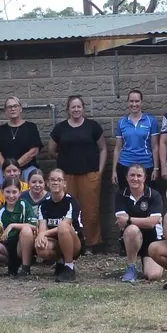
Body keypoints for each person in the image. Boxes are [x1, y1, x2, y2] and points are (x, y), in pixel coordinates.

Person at [50, 94, 106, 248]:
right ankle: (73, 242)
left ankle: (92, 243)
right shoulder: (60, 128)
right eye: (73, 107)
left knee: (90, 210)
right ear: (68, 109)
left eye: (79, 106)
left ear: (83, 108)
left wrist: (100, 171)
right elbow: (52, 150)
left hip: (90, 174)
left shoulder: (92, 126)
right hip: (67, 176)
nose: (76, 109)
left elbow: (103, 149)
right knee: (69, 209)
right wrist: (67, 158)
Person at [114, 164, 166, 282]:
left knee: (153, 276)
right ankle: (131, 267)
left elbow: (152, 223)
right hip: (131, 238)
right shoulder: (121, 195)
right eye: (132, 175)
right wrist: (140, 221)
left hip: (152, 240)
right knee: (132, 229)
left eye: (139, 175)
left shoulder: (154, 195)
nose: (135, 178)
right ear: (126, 177)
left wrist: (129, 220)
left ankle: (147, 261)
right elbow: (121, 223)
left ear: (144, 178)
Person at [35, 168, 84, 282]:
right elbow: (42, 227)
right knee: (41, 248)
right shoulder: (43, 204)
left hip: (73, 243)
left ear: (64, 184)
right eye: (52, 180)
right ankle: (60, 262)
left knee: (62, 226)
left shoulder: (71, 202)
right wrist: (41, 236)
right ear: (47, 183)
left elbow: (66, 225)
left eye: (59, 180)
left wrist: (43, 233)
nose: (55, 182)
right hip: (55, 242)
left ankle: (69, 266)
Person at [0, 177, 37, 274]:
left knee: (26, 230)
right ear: (2, 192)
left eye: (14, 192)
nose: (11, 195)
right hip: (6, 245)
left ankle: (26, 267)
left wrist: (12, 225)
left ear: (19, 193)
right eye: (8, 192)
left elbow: (34, 226)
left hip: (22, 244)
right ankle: (10, 262)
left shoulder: (24, 205)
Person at [112, 89, 159, 188]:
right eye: (131, 101)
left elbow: (155, 147)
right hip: (125, 165)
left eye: (137, 101)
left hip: (146, 165)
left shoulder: (151, 121)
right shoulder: (121, 122)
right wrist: (114, 171)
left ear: (141, 102)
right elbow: (117, 148)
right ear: (128, 102)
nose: (134, 104)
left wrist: (156, 168)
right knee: (126, 198)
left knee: (145, 199)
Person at [0, 97, 42, 180]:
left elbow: (34, 151)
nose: (13, 109)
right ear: (6, 110)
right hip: (6, 170)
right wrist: (7, 169)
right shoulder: (1, 129)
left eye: (15, 106)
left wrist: (15, 167)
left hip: (27, 169)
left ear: (20, 108)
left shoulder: (31, 127)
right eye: (9, 107)